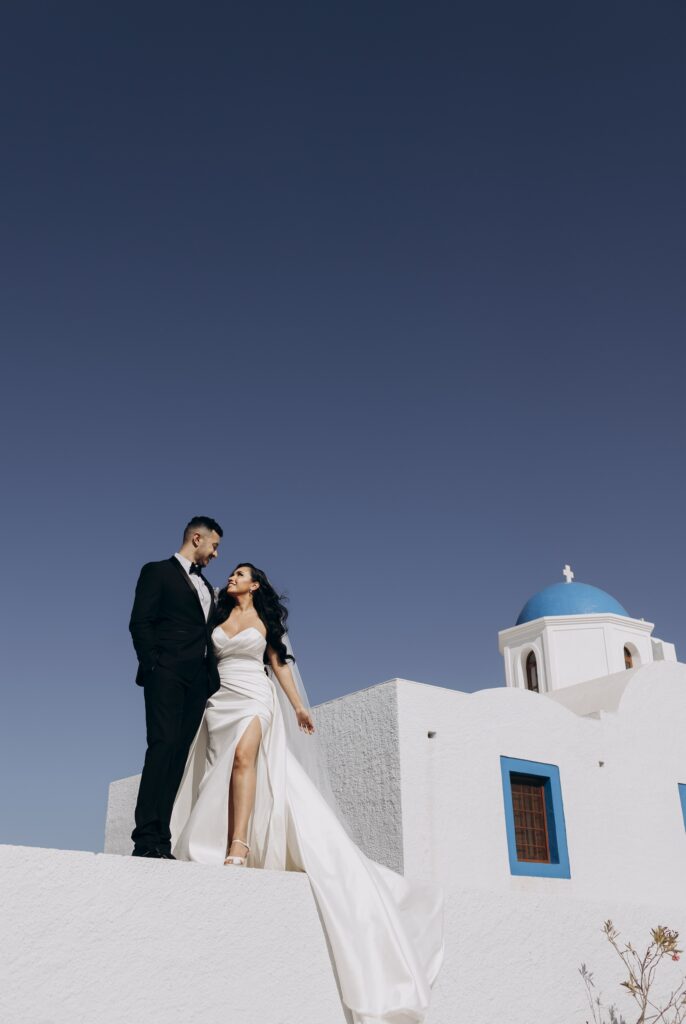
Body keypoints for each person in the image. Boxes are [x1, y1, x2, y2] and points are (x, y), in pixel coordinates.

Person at [171, 563, 444, 1024]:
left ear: (255, 585)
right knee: (223, 771)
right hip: (222, 703)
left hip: (256, 700)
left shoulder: (265, 624)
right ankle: (221, 838)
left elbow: (279, 666)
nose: (233, 578)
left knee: (246, 760)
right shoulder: (216, 623)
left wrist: (298, 708)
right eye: (232, 574)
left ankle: (239, 846)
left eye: (241, 574)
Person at [128, 516, 223, 858]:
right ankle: (145, 838)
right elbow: (140, 621)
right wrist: (153, 664)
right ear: (197, 538)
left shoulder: (206, 586)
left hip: (198, 682)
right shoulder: (157, 571)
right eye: (214, 546)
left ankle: (161, 840)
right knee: (162, 745)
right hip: (165, 673)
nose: (215, 555)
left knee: (179, 755)